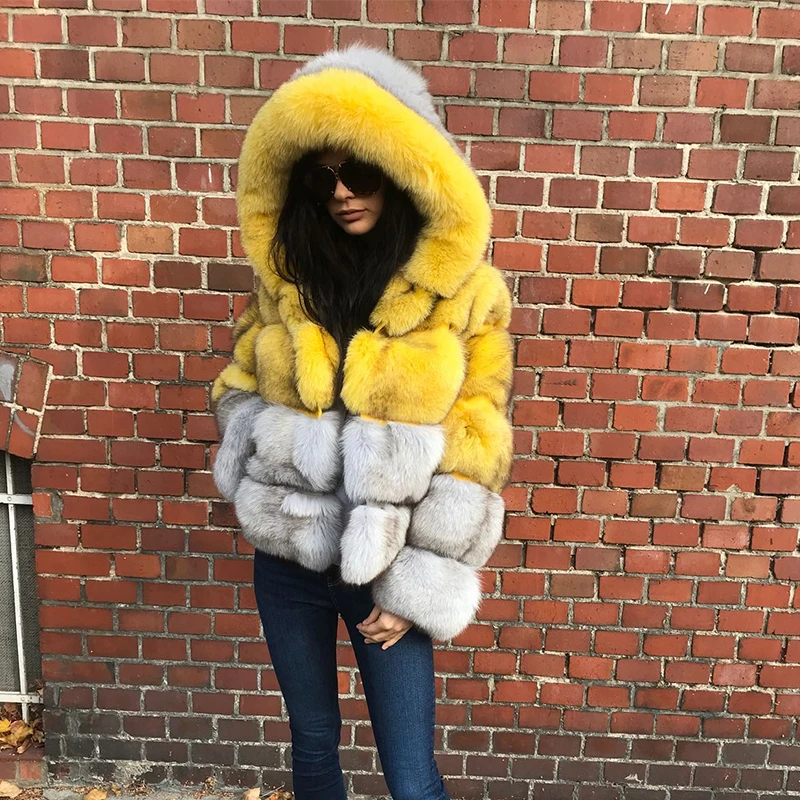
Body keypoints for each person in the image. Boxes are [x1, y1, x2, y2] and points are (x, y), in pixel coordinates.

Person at [211, 46, 514, 800]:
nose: (342, 193)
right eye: (322, 179)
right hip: (287, 561)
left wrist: (416, 586)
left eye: (360, 173)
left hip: (387, 568)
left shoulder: (463, 293)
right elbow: (239, 381)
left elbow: (475, 446)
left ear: (403, 169)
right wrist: (258, 463)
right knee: (313, 746)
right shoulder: (288, 284)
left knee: (410, 777)